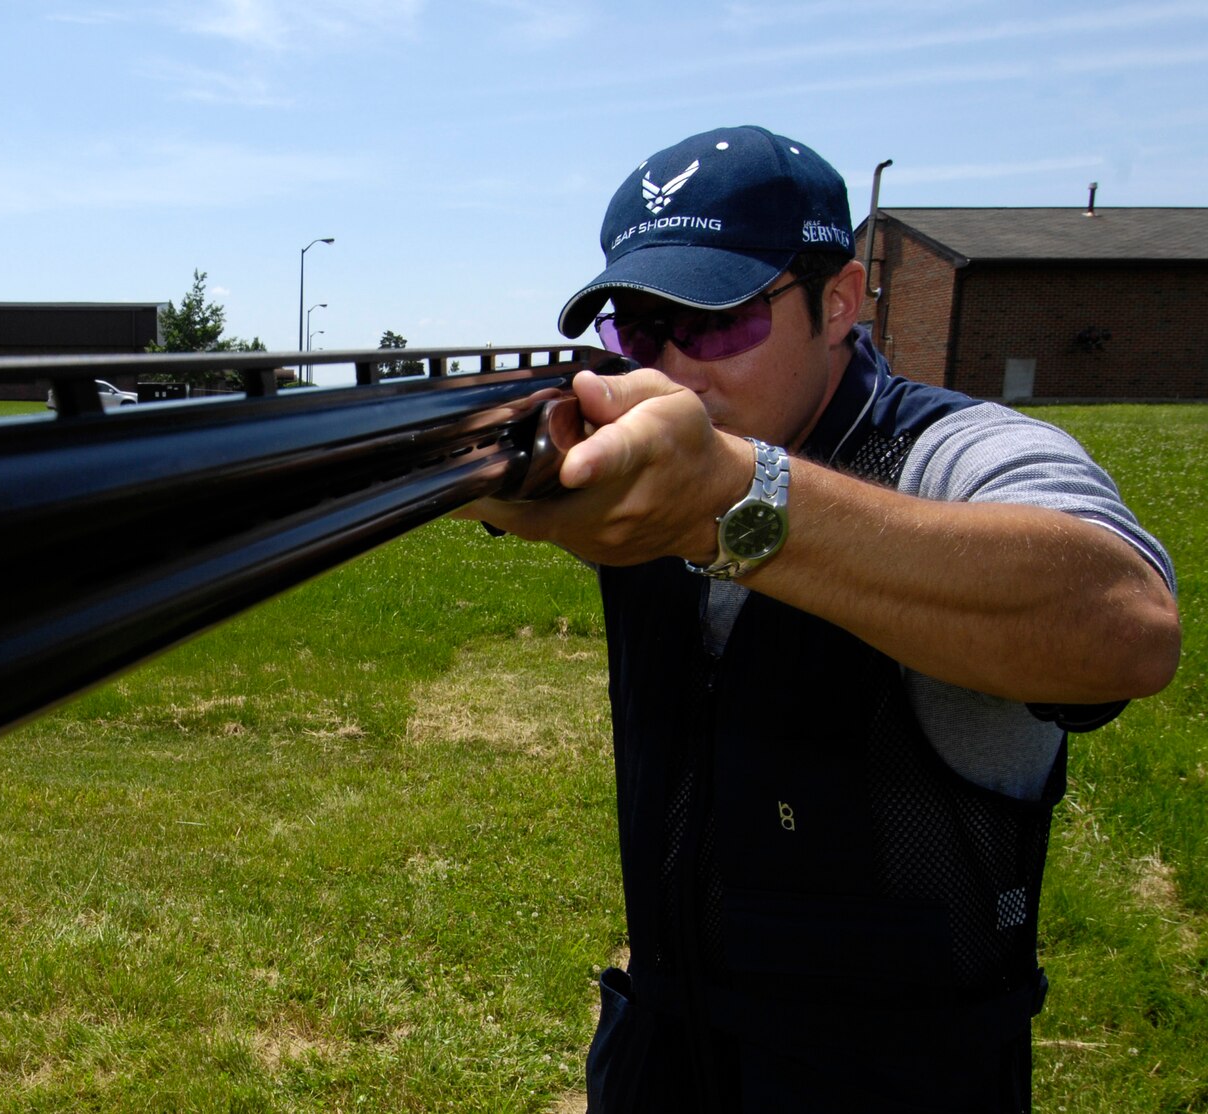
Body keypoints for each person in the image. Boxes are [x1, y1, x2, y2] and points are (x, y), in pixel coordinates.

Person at [457, 126, 1181, 1112]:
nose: (672, 370)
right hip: (661, 1048)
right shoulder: (642, 454)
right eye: (635, 326)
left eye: (712, 324)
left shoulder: (950, 453)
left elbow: (1125, 627)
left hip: (895, 1077)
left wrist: (734, 502)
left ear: (836, 301)